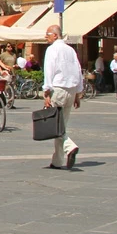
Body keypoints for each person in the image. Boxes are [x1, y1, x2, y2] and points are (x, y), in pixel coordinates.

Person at [42, 24, 81, 170]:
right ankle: (57, 161)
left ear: (55, 35)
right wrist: (78, 93)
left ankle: (70, 147)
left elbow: (49, 70)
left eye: (47, 34)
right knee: (61, 124)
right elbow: (77, 70)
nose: (46, 37)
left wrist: (47, 91)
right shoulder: (71, 50)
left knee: (55, 126)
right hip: (71, 90)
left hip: (58, 89)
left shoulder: (52, 49)